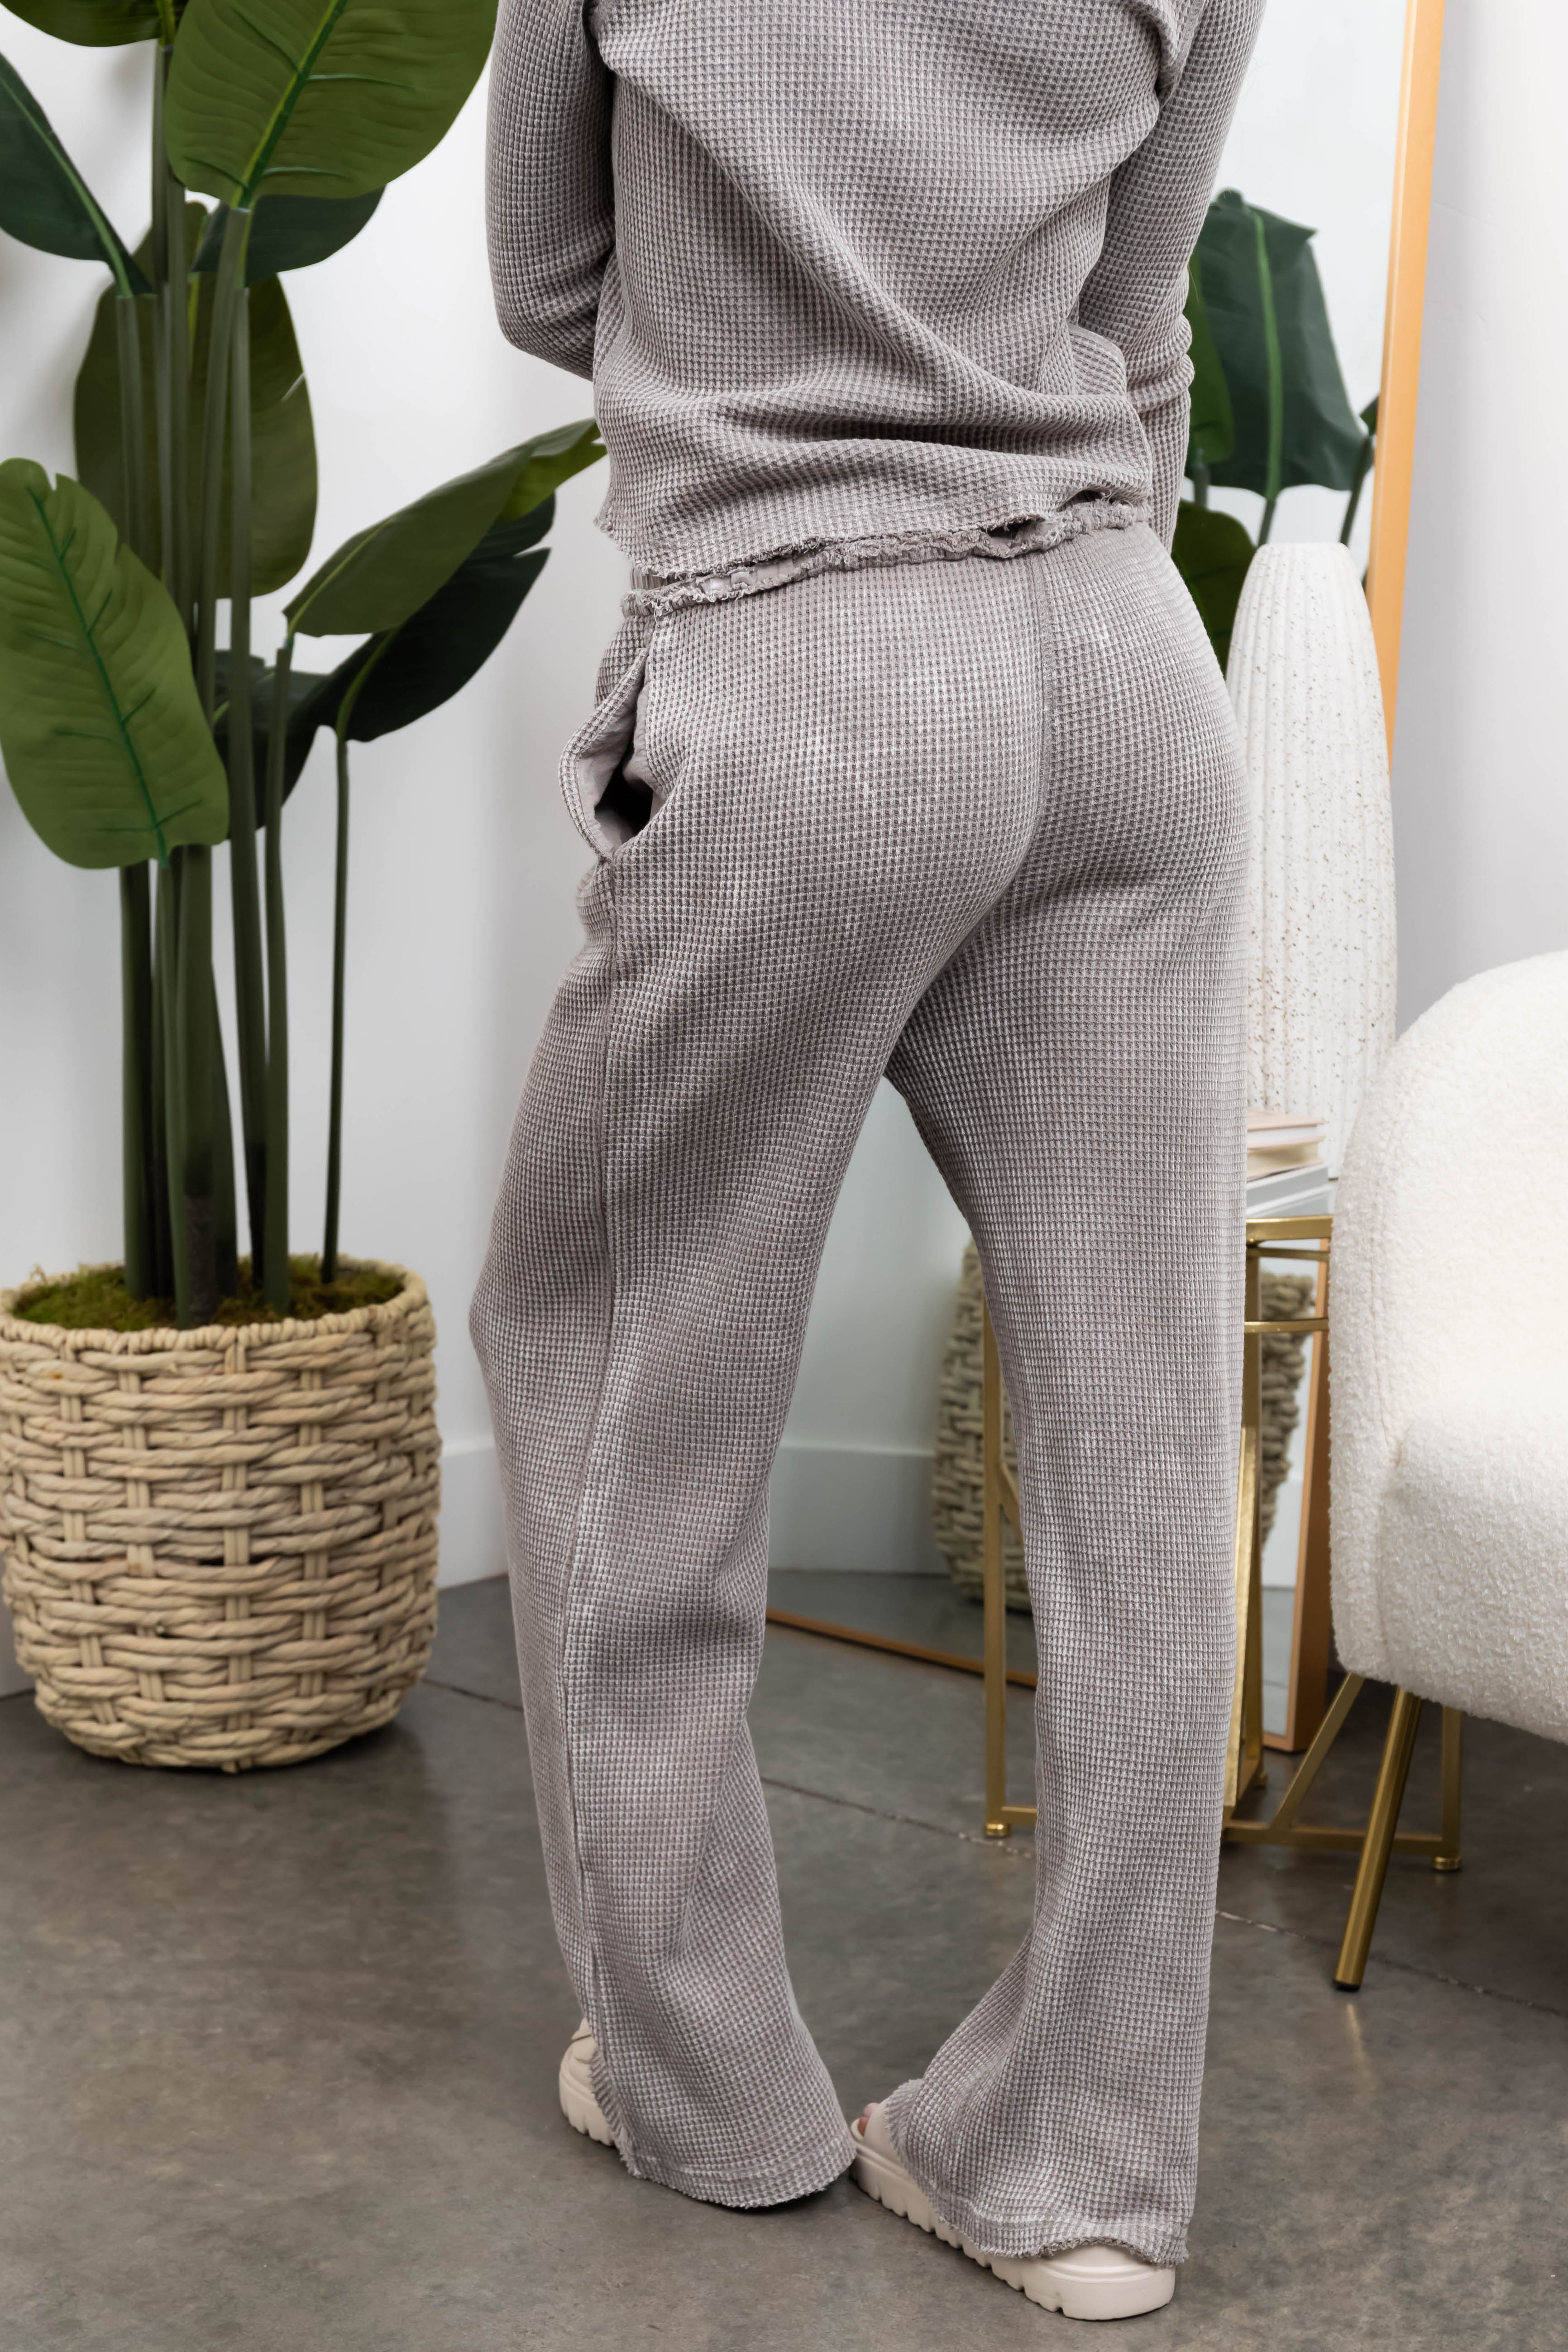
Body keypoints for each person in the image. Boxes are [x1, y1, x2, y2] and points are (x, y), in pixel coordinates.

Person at [472, 0, 1263, 2321]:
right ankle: (1081, 2171)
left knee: (624, 1376)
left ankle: (707, 2085)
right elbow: (1135, 308)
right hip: (1123, 674)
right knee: (1140, 1460)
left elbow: (544, 274)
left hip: (804, 657)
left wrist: (786, 333)